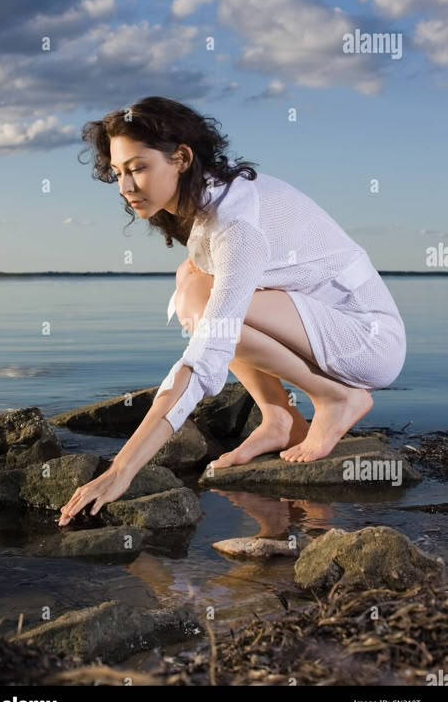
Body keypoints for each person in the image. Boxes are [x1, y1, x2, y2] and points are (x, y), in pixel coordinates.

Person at [58, 96, 406, 527]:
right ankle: (279, 416)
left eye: (138, 168)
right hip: (328, 327)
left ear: (181, 157)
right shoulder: (210, 204)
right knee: (192, 281)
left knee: (203, 304)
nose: (125, 188)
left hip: (369, 341)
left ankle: (338, 397)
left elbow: (206, 358)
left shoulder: (236, 225)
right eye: (117, 173)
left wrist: (121, 470)